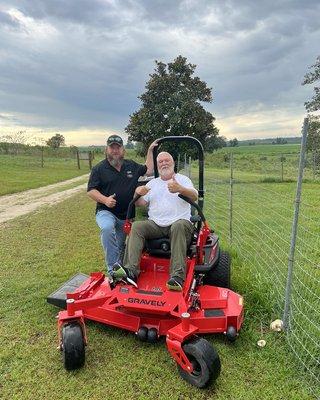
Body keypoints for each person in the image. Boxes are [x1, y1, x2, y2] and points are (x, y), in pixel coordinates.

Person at [113, 151, 198, 291]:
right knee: (137, 227)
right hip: (156, 225)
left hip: (180, 223)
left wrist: (180, 189)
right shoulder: (152, 183)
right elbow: (139, 203)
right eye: (160, 161)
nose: (164, 163)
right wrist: (137, 192)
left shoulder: (182, 179)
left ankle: (177, 277)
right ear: (157, 165)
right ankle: (130, 272)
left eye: (167, 160)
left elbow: (194, 196)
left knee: (178, 226)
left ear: (173, 162)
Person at [87, 134, 157, 275]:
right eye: (112, 148)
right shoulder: (99, 169)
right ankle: (112, 270)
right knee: (106, 228)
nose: (115, 150)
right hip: (106, 212)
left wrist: (150, 150)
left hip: (126, 216)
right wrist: (105, 200)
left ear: (123, 150)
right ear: (107, 150)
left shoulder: (131, 165)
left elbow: (149, 169)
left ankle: (120, 273)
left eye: (118, 147)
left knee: (119, 247)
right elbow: (91, 191)